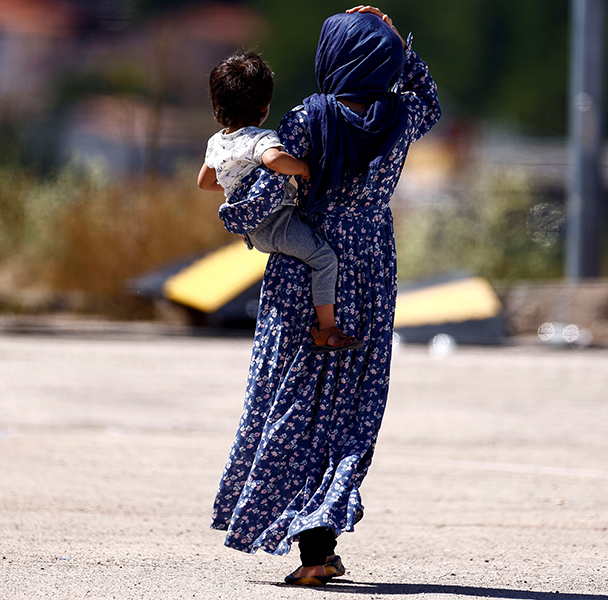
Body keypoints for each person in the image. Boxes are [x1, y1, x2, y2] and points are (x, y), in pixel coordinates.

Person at [209, 5, 440, 587]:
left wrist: (236, 215)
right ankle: (322, 546)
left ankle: (313, 550)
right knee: (349, 406)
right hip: (373, 264)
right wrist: (398, 44)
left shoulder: (309, 119)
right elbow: (430, 100)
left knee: (293, 400)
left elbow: (264, 195)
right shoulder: (402, 114)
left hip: (304, 269)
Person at [198, 52, 362, 352]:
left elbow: (205, 182)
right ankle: (327, 329)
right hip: (276, 223)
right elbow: (274, 159)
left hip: (251, 229)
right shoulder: (260, 139)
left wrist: (238, 187)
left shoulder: (216, 142)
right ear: (264, 105)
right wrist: (302, 168)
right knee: (324, 259)